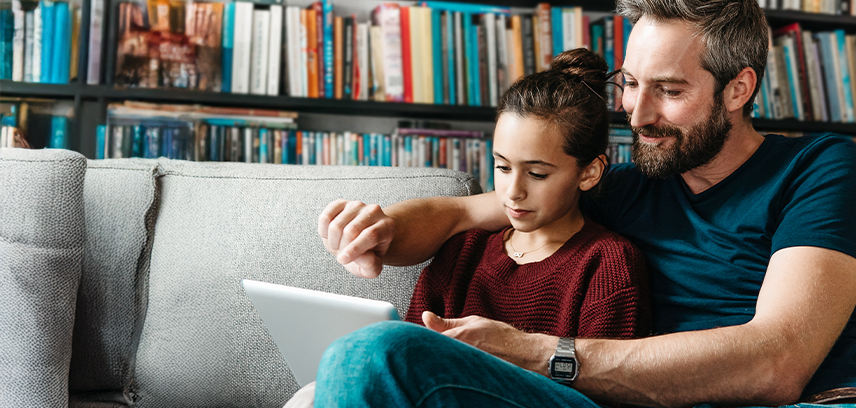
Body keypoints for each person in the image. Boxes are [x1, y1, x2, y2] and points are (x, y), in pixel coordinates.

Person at [316, 0, 856, 406]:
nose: (636, 114)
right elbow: (462, 212)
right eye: (629, 83)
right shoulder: (623, 185)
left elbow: (779, 360)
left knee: (377, 354)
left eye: (668, 90)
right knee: (364, 360)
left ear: (738, 90)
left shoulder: (820, 169)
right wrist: (380, 230)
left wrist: (536, 351)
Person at [286, 48, 652, 408]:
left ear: (588, 172)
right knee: (312, 394)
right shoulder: (463, 251)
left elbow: (607, 389)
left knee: (366, 354)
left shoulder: (608, 263)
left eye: (537, 173)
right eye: (503, 167)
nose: (513, 191)